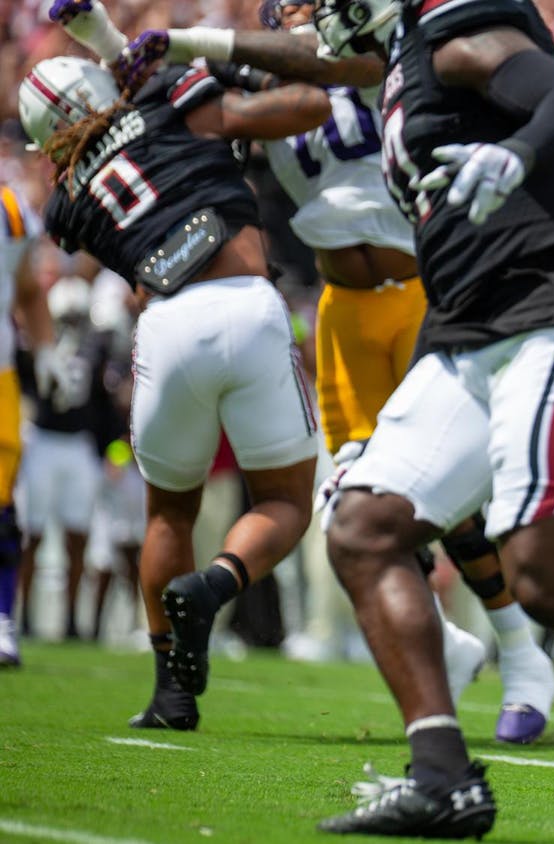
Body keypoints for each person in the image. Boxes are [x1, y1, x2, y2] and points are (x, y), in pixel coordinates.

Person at [115, 0, 554, 838]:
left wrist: (514, 151)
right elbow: (314, 57)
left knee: (547, 577)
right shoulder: (394, 52)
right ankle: (444, 778)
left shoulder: (457, 35)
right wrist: (188, 41)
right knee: (362, 526)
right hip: (466, 326)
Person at [144, 0, 554, 742]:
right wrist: (121, 47)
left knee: (449, 489)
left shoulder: (381, 58)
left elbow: (330, 74)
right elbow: (221, 116)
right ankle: (452, 642)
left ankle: (523, 655)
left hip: (427, 292)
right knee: (354, 494)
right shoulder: (270, 90)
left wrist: (202, 50)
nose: (310, 15)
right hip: (343, 309)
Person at [19, 42, 330, 728]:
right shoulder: (166, 100)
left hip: (164, 327)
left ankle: (170, 694)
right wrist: (224, 72)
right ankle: (215, 583)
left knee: (169, 515)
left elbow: (107, 162)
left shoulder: (67, 201)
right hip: (245, 302)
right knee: (283, 503)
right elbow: (310, 103)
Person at [15, 276, 112, 641]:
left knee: (78, 535)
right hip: (43, 440)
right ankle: (21, 613)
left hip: (79, 444)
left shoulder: (97, 346)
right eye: (66, 316)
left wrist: (107, 451)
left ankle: (72, 618)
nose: (71, 323)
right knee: (31, 532)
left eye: (76, 316)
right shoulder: (37, 346)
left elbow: (105, 402)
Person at [0, 184, 56, 666]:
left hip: (0, 372)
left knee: (3, 506)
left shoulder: (12, 209)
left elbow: (28, 289)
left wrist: (46, 351)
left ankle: (1, 619)